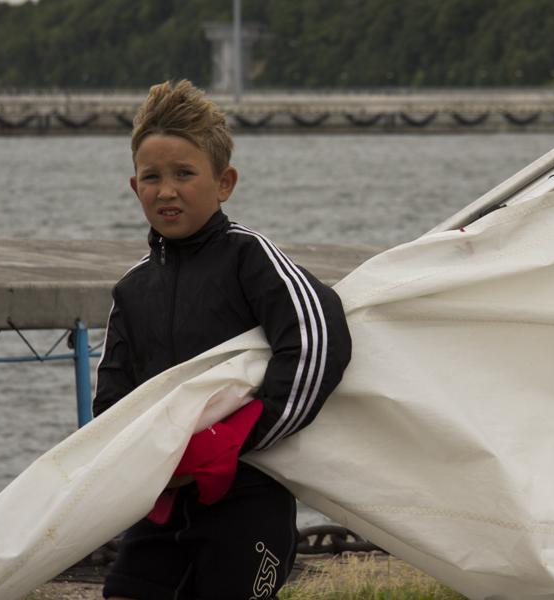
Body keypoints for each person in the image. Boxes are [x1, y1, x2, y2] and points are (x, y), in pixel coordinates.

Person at [92, 79, 352, 600]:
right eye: (152, 177)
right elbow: (113, 402)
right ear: (135, 187)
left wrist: (237, 440)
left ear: (224, 182)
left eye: (184, 174)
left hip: (249, 497)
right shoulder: (133, 288)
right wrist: (140, 468)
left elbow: (319, 340)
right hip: (162, 505)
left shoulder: (249, 258)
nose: (167, 190)